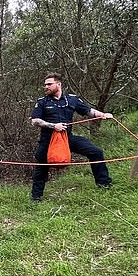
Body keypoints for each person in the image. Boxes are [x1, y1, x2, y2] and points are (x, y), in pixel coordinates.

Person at [30, 72, 113, 201]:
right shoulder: (42, 102)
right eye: (45, 85)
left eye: (49, 84)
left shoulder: (72, 99)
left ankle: (104, 185)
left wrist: (103, 114)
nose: (46, 87)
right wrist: (53, 125)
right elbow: (35, 121)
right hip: (48, 140)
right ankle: (36, 198)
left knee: (96, 152)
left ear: (58, 84)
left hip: (67, 138)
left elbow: (89, 111)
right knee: (41, 167)